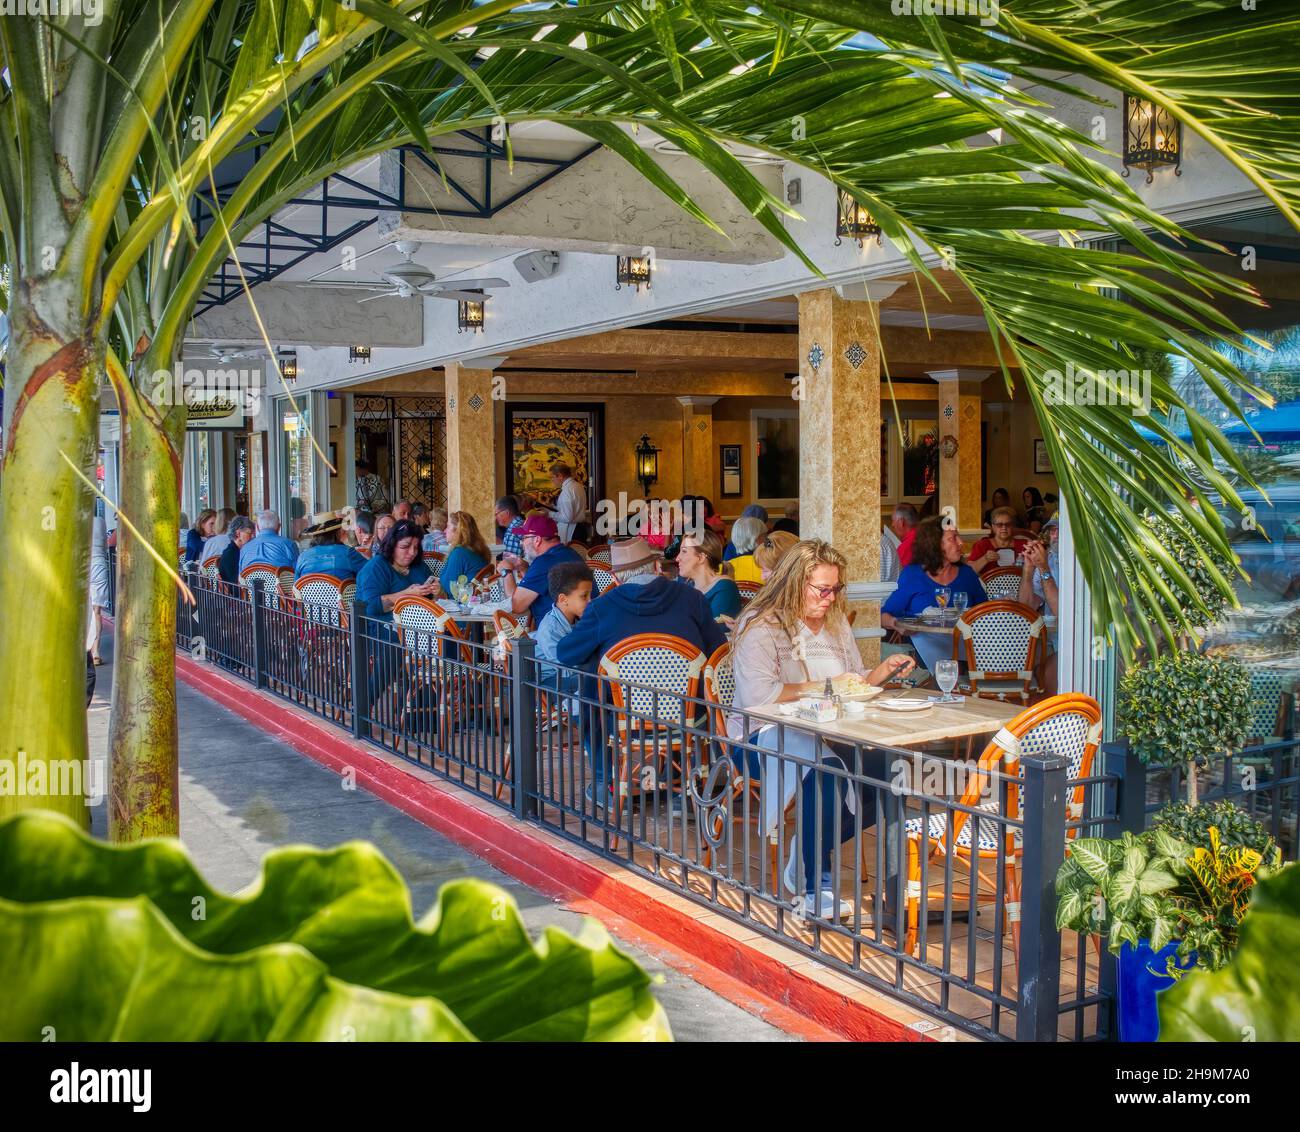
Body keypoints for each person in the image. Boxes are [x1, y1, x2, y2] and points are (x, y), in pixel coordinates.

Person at [729, 539, 915, 918]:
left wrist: (883, 672)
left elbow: (856, 680)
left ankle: (807, 851)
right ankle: (817, 887)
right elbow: (759, 697)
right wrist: (826, 687)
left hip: (830, 730)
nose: (831, 598)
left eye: (836, 589)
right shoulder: (760, 626)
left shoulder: (832, 624)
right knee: (827, 770)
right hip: (759, 734)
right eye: (823, 589)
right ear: (795, 583)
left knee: (893, 772)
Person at [556, 537, 729, 807]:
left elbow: (566, 653)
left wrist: (603, 650)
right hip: (686, 717)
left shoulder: (603, 607)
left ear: (614, 576)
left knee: (591, 681)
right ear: (657, 566)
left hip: (626, 719)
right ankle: (684, 790)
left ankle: (607, 784)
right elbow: (718, 649)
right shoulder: (692, 599)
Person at [881, 517, 988, 675]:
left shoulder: (967, 574)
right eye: (953, 539)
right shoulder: (913, 575)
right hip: (924, 650)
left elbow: (986, 612)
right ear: (935, 545)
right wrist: (895, 623)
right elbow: (883, 616)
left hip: (968, 650)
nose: (960, 543)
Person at [498, 514, 582, 624]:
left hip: (556, 636)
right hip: (580, 631)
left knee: (501, 640)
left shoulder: (544, 562)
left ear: (537, 540)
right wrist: (524, 568)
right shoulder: (570, 553)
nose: (521, 543)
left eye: (524, 538)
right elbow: (540, 585)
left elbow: (516, 605)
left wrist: (506, 572)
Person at [355, 519, 440, 622]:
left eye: (416, 547)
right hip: (383, 629)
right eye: (405, 547)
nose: (412, 552)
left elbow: (435, 598)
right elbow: (371, 607)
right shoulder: (375, 567)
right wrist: (408, 595)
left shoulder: (419, 566)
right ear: (392, 545)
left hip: (420, 625)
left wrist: (438, 592)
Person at [533, 560, 595, 692]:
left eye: (590, 595)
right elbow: (565, 668)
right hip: (547, 685)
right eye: (584, 596)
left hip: (569, 678)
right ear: (563, 599)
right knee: (594, 681)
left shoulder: (578, 620)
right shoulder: (550, 628)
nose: (590, 601)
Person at [1019, 516, 1061, 695]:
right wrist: (1028, 569)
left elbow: (1062, 612)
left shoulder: (1080, 563)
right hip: (1049, 641)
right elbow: (1025, 608)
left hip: (1077, 642)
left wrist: (1043, 569)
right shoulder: (1049, 559)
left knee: (1050, 673)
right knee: (1016, 663)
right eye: (1052, 531)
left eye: (1060, 530)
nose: (1056, 535)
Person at [676, 529, 741, 619]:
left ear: (701, 558)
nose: (677, 558)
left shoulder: (725, 587)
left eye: (684, 551)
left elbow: (716, 630)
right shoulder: (688, 586)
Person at [294, 510, 368, 582]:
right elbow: (370, 571)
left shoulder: (303, 556)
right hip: (342, 594)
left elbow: (296, 587)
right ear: (338, 531)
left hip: (308, 595)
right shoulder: (348, 553)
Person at [439, 511, 491, 597]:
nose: (444, 531)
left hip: (462, 605)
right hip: (478, 601)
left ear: (458, 531)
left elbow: (451, 589)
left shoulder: (459, 553)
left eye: (448, 527)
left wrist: (438, 588)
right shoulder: (479, 550)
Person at [968, 506, 1029, 575]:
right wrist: (985, 559)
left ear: (1012, 526)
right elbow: (968, 572)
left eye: (1007, 524)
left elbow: (1039, 572)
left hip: (1019, 584)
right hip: (989, 584)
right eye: (999, 525)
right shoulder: (982, 545)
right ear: (993, 527)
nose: (1004, 527)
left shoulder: (1024, 544)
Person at [87, 513, 110, 665]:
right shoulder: (101, 522)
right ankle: (95, 651)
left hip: (83, 564)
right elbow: (106, 545)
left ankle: (87, 648)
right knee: (97, 611)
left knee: (86, 610)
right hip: (99, 563)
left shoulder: (76, 519)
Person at [549, 462, 589, 544]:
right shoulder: (578, 486)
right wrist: (554, 508)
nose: (552, 480)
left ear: (560, 476)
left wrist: (549, 514)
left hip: (572, 531)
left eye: (552, 477)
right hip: (580, 528)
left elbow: (567, 517)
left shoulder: (567, 490)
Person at [726, 517, 766, 583]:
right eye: (764, 535)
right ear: (756, 538)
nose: (766, 538)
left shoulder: (729, 551)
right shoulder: (763, 563)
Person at [219, 516, 256, 585]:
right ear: (238, 534)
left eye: (254, 534)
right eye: (250, 533)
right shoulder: (231, 554)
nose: (253, 537)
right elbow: (236, 583)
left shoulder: (236, 551)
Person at [890, 502, 920, 567]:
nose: (892, 525)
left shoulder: (905, 548)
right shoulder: (924, 536)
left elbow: (898, 574)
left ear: (901, 522)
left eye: (893, 520)